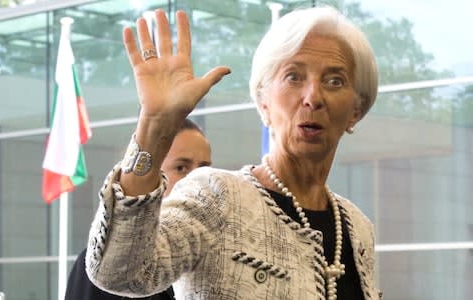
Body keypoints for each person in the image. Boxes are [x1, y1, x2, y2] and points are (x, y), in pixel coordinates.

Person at [86, 6, 382, 300]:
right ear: (264, 102)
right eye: (294, 77)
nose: (313, 97)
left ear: (356, 111)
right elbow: (120, 272)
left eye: (335, 81)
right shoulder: (216, 197)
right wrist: (154, 126)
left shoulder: (357, 227)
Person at [65, 118, 211, 300]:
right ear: (150, 176)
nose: (196, 179)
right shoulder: (105, 264)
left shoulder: (218, 256)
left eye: (204, 169)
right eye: (181, 167)